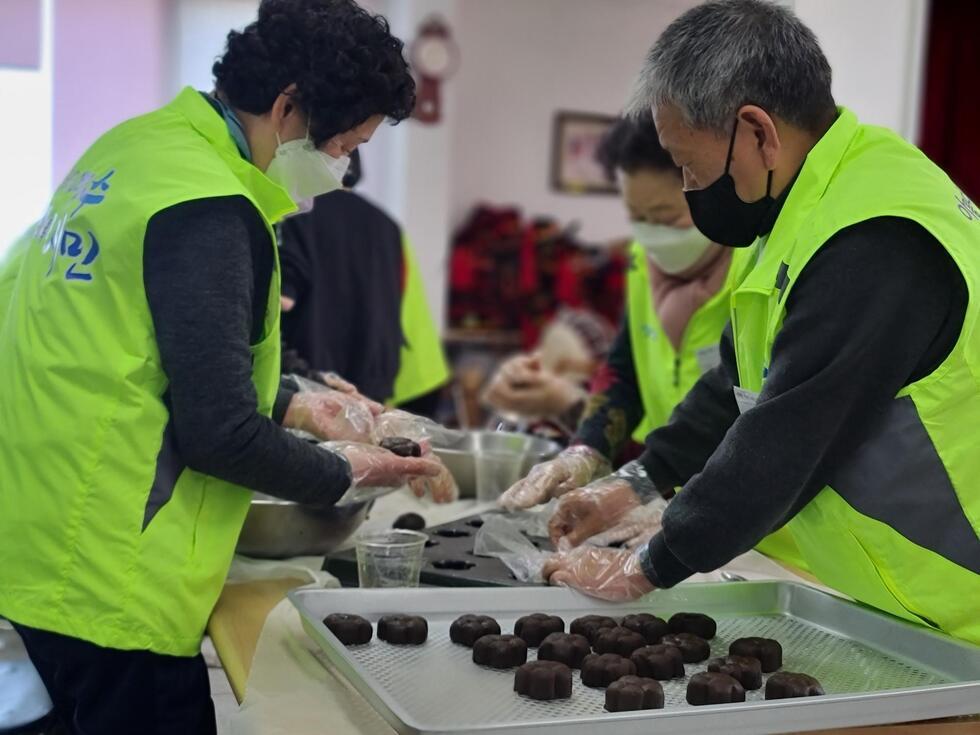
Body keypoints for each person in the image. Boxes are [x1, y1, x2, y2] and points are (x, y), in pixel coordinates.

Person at [0, 2, 444, 732]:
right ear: (289, 106)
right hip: (113, 570)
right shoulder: (207, 204)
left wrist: (296, 398)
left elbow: (134, 341)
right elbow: (218, 433)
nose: (345, 166)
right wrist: (350, 470)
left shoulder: (135, 151)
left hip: (38, 533)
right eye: (344, 143)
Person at [542, 0, 980, 645]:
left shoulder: (876, 237)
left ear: (756, 131)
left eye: (689, 166)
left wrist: (651, 563)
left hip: (963, 607)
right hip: (894, 602)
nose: (691, 189)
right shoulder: (802, 209)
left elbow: (788, 434)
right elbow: (737, 382)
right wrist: (638, 480)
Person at [278, 148, 451, 417]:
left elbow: (281, 301)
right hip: (375, 382)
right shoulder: (388, 226)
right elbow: (405, 304)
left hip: (310, 385)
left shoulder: (293, 212)